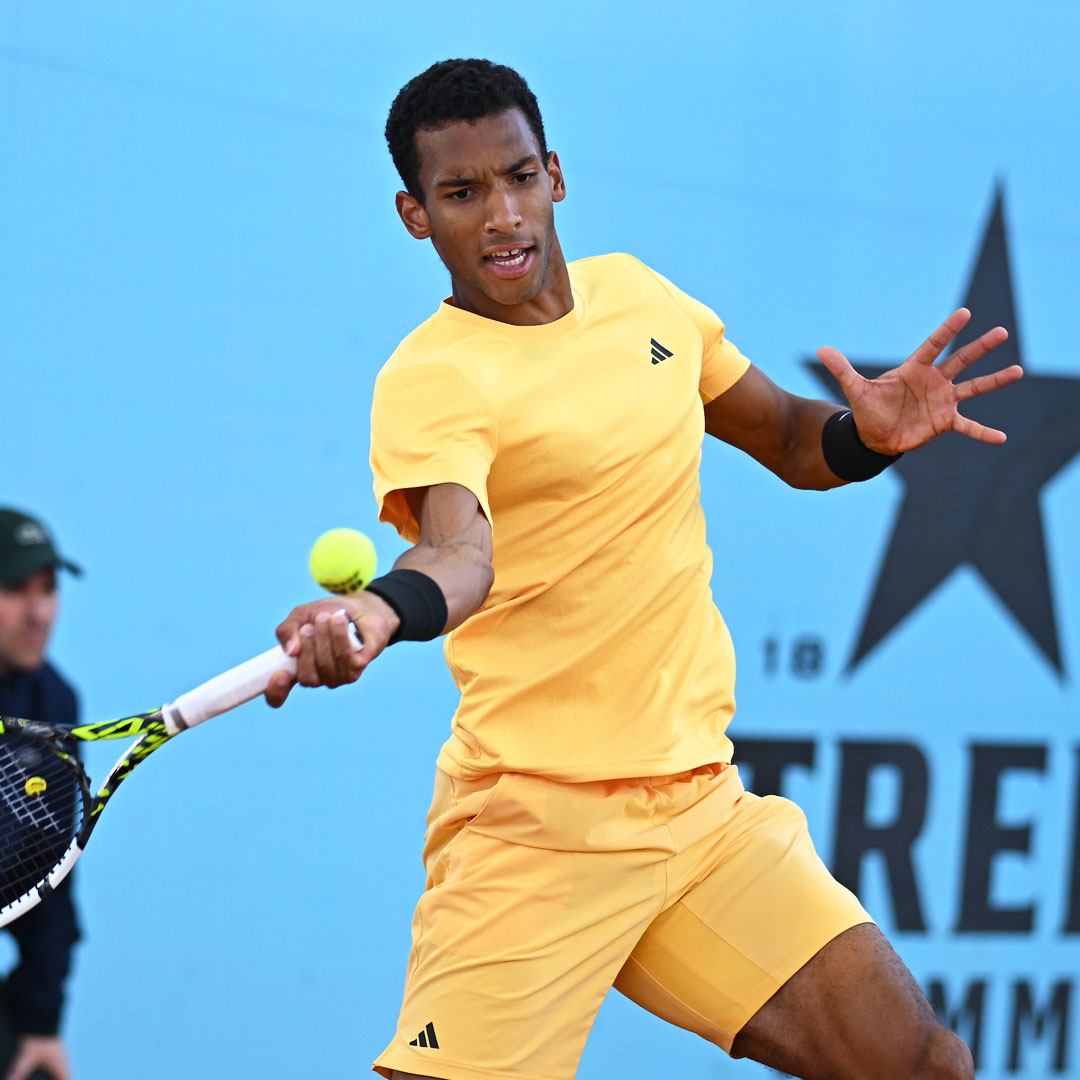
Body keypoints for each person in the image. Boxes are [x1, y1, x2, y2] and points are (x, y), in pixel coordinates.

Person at [266, 60, 1022, 1080]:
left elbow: (794, 441)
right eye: (461, 193)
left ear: (556, 176)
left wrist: (868, 436)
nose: (501, 215)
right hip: (537, 829)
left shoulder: (644, 301)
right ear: (415, 216)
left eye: (518, 176)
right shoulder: (433, 377)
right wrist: (378, 616)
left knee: (921, 1065)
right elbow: (458, 556)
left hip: (703, 813)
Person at [0, 509, 82, 1080]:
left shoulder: (53, 704)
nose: (38, 613)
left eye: (48, 590)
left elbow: (49, 880)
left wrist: (41, 1024)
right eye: (14, 590)